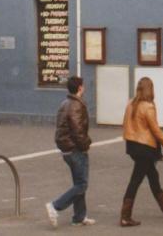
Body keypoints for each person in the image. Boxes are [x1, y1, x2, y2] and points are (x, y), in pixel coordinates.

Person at [119, 77, 163, 227]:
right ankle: (125, 217)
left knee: (153, 176)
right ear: (150, 89)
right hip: (145, 148)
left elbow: (125, 123)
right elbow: (157, 131)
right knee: (135, 181)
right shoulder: (148, 106)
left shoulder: (131, 103)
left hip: (132, 146)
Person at [47, 76, 96, 228]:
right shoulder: (76, 105)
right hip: (75, 149)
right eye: (83, 85)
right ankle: (55, 206)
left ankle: (79, 217)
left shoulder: (65, 103)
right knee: (81, 184)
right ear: (80, 88)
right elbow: (77, 131)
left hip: (66, 149)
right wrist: (86, 144)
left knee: (78, 182)